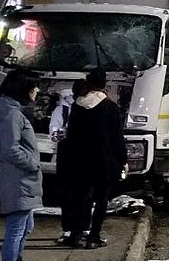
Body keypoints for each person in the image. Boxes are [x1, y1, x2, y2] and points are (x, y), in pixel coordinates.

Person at [0, 70, 43, 261]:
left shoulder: (12, 112)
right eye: (34, 86)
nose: (37, 90)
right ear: (22, 88)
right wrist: (33, 164)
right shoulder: (11, 115)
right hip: (18, 179)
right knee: (16, 228)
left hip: (21, 179)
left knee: (25, 227)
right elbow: (11, 149)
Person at [64, 69, 126, 249]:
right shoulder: (110, 107)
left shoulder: (77, 105)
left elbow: (71, 135)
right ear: (104, 85)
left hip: (80, 160)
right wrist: (123, 159)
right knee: (101, 199)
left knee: (81, 196)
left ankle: (76, 235)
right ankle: (94, 236)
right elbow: (117, 138)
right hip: (103, 161)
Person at [54, 80, 87, 247]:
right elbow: (54, 134)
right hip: (68, 158)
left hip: (84, 158)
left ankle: (82, 228)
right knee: (68, 195)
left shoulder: (90, 109)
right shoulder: (63, 110)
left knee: (85, 195)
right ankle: (68, 229)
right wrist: (70, 132)